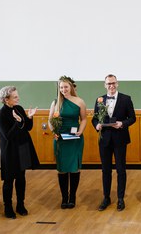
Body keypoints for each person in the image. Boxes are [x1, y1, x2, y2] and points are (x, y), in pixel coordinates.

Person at [92, 74, 136, 212]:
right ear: (105, 85)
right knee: (105, 170)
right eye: (108, 84)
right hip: (104, 140)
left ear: (117, 84)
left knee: (121, 169)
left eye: (113, 83)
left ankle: (121, 198)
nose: (111, 86)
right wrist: (97, 126)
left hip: (120, 138)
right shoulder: (99, 100)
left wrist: (122, 123)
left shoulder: (126, 99)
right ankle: (106, 197)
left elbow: (133, 118)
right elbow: (94, 118)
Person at [0, 86, 40, 219]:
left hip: (23, 149)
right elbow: (8, 136)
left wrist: (30, 118)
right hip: (10, 152)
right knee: (9, 180)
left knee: (21, 179)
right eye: (15, 97)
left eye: (17, 95)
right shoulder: (0, 116)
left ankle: (20, 205)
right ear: (6, 99)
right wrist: (17, 122)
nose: (18, 98)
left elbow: (27, 128)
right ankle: (8, 207)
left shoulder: (18, 109)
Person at [48, 76, 87, 209]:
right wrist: (54, 132)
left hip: (75, 139)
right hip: (60, 139)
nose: (63, 89)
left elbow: (84, 119)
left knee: (74, 168)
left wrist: (80, 131)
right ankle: (64, 197)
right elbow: (50, 120)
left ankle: (72, 197)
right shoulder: (55, 102)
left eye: (65, 86)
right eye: (61, 87)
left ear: (71, 87)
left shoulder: (80, 101)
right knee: (62, 169)